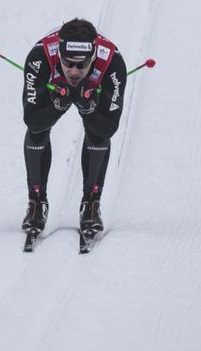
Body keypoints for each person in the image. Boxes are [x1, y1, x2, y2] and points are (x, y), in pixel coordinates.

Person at [21, 18, 127, 236]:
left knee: (97, 134)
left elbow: (108, 129)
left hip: (99, 85)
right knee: (38, 131)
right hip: (48, 79)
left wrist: (88, 110)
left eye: (82, 64)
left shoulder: (112, 64)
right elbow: (32, 121)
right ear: (58, 54)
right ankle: (36, 202)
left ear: (93, 57)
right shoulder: (39, 59)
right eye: (68, 63)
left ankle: (91, 204)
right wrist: (57, 107)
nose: (74, 71)